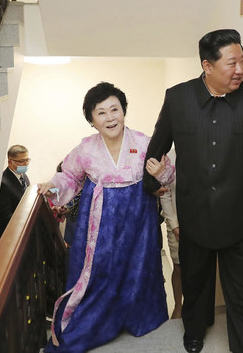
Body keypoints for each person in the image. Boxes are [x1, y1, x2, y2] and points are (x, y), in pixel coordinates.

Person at [143, 29, 243, 353]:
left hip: (241, 214)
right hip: (196, 214)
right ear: (207, 66)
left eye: (242, 60)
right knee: (196, 282)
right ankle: (194, 331)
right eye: (231, 63)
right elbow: (158, 146)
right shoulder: (178, 98)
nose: (239, 69)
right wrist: (150, 186)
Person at [37, 82, 175, 353]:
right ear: (91, 120)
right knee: (100, 271)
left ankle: (136, 317)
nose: (111, 117)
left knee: (139, 268)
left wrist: (160, 171)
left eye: (115, 109)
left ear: (124, 111)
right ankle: (98, 322)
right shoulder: (86, 149)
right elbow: (69, 176)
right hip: (100, 220)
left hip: (139, 218)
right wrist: (51, 186)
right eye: (101, 112)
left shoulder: (145, 142)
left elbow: (168, 175)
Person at [159, 151, 182, 319]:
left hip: (202, 222)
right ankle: (178, 307)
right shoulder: (170, 157)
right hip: (176, 223)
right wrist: (174, 225)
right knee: (179, 266)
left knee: (199, 268)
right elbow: (165, 193)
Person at [0, 144, 31, 243]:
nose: (26, 164)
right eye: (21, 161)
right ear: (10, 162)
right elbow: (6, 216)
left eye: (27, 160)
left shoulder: (24, 176)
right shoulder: (3, 183)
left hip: (22, 231)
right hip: (9, 236)